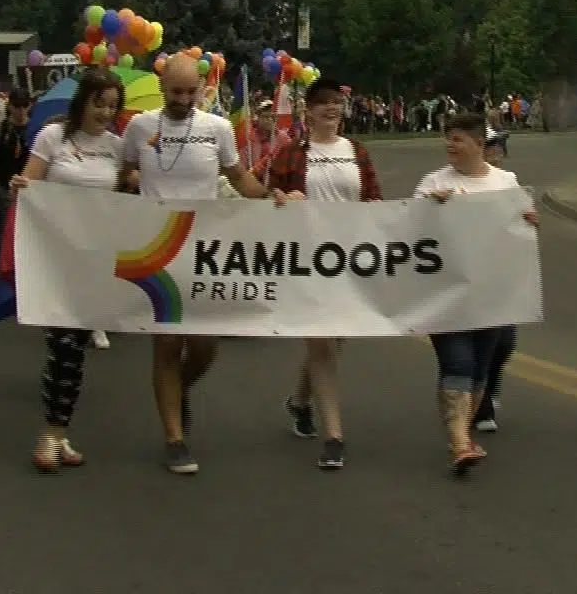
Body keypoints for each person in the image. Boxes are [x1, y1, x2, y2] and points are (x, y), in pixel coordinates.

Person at [120, 53, 277, 476]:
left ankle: (177, 391)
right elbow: (121, 174)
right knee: (168, 343)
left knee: (205, 347)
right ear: (162, 88)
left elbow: (239, 178)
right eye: (176, 92)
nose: (184, 99)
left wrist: (271, 197)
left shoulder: (217, 128)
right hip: (157, 247)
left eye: (191, 92)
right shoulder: (139, 127)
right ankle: (174, 438)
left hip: (205, 248)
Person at [9, 68, 128, 472]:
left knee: (74, 350)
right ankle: (51, 435)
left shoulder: (117, 147)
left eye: (113, 106)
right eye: (99, 102)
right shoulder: (52, 137)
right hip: (53, 258)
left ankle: (58, 433)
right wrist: (20, 186)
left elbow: (134, 192)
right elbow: (30, 181)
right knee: (63, 347)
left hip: (95, 263)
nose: (106, 112)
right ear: (83, 101)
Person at [265, 78, 382, 471]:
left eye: (338, 103)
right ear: (309, 112)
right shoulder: (291, 154)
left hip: (348, 261)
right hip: (305, 262)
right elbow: (267, 202)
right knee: (322, 345)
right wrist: (281, 200)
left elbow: (375, 202)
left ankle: (300, 401)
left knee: (333, 341)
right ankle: (334, 436)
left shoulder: (357, 152)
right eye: (324, 103)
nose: (332, 109)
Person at [414, 113, 539, 475]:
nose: (450, 145)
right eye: (447, 139)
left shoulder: (506, 182)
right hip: (447, 294)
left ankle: (464, 435)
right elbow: (409, 232)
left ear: (478, 145)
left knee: (481, 368)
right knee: (457, 364)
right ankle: (458, 442)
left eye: (457, 139)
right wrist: (428, 208)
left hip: (492, 295)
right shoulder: (433, 182)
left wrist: (530, 222)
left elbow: (520, 223)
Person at [474, 126, 515, 434]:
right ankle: (481, 401)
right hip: (468, 276)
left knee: (504, 341)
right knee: (477, 340)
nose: (496, 152)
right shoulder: (450, 181)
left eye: (499, 147)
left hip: (502, 274)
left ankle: (490, 382)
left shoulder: (507, 181)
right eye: (491, 146)